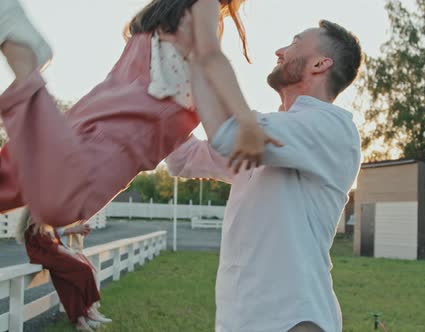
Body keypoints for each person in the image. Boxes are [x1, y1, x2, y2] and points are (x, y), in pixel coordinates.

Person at [0, 0, 275, 227]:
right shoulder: (203, 9)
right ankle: (22, 56)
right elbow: (212, 56)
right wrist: (246, 119)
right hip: (116, 140)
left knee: (8, 180)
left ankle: (22, 55)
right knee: (65, 205)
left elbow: (194, 145)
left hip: (87, 123)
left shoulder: (155, 33)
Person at [167, 16, 363, 331]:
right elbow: (184, 159)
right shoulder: (269, 138)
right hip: (240, 320)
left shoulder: (330, 126)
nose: (279, 50)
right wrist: (169, 79)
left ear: (320, 64)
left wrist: (196, 54)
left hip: (292, 320)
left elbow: (228, 133)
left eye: (296, 41)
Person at [16, 209, 112, 331]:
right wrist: (70, 253)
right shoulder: (36, 227)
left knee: (69, 288)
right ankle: (90, 310)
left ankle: (81, 322)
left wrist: (70, 251)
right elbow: (52, 247)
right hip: (50, 258)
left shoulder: (44, 225)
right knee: (85, 270)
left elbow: (55, 243)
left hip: (51, 258)